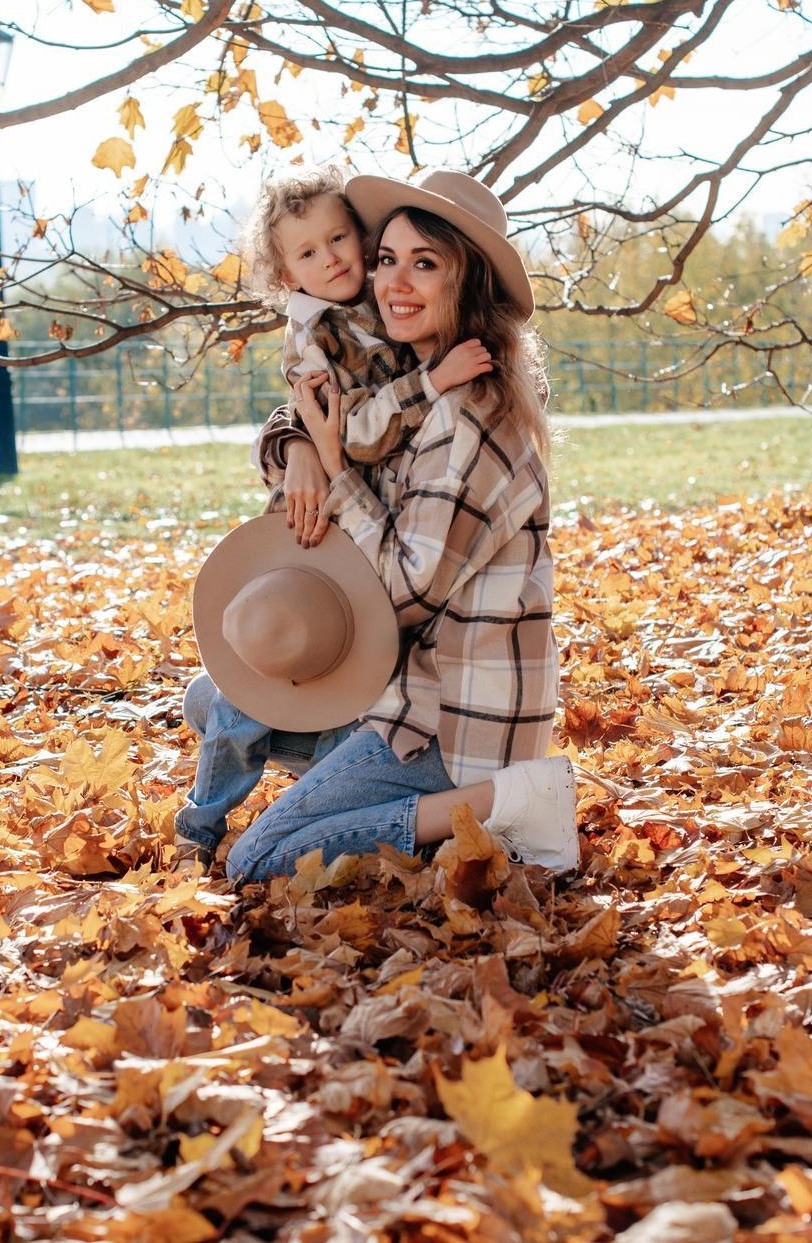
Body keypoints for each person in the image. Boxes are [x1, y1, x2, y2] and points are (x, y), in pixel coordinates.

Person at [205, 169, 577, 882]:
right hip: (404, 685)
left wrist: (337, 470)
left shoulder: (472, 412)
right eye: (386, 260)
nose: (392, 282)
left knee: (258, 858)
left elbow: (404, 592)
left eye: (424, 264)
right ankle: (365, 805)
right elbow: (320, 409)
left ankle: (502, 803)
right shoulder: (413, 369)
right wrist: (299, 448)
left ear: (466, 285)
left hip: (453, 723)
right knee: (218, 698)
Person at [239, 165, 492, 468]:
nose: (330, 260)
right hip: (347, 501)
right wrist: (435, 380)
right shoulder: (314, 342)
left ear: (361, 236)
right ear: (288, 277)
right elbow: (353, 439)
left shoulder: (385, 295)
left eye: (337, 238)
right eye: (308, 254)